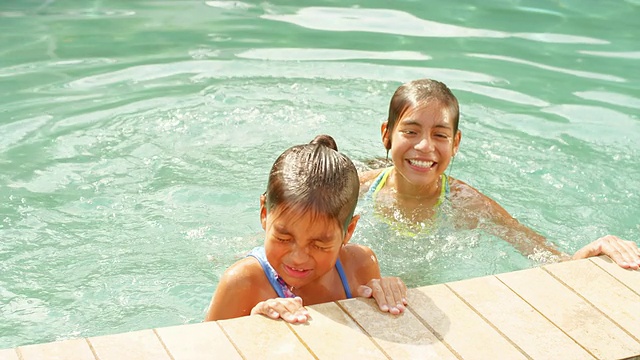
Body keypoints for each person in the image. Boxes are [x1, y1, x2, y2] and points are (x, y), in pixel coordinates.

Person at [359, 78, 640, 270]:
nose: (424, 146)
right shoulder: (357, 187)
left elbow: (543, 254)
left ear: (455, 144)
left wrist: (590, 252)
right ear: (387, 134)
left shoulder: (466, 203)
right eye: (411, 131)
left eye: (440, 135)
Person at [206, 135, 408, 323]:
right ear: (264, 215)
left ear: (349, 231)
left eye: (319, 245)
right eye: (284, 238)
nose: (299, 258)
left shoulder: (359, 266)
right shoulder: (242, 283)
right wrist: (254, 323)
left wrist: (387, 293)